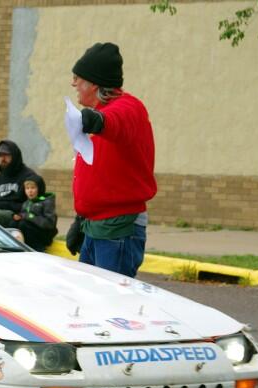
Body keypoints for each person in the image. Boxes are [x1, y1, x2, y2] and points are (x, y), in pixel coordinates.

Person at [68, 42, 156, 277]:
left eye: (78, 78)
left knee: (111, 306)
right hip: (94, 227)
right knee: (88, 303)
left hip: (118, 231)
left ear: (93, 83)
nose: (73, 83)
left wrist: (98, 121)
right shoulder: (97, 115)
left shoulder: (129, 108)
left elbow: (115, 122)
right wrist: (81, 219)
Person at [0, 139, 44, 227]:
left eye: (6, 155)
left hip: (17, 216)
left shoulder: (28, 176)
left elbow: (32, 205)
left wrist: (2, 204)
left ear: (15, 156)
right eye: (0, 155)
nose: (2, 158)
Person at [16, 178, 57, 251]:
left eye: (33, 188)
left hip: (44, 234)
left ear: (39, 189)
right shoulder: (26, 203)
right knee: (15, 223)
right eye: (27, 188)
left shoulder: (46, 201)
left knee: (23, 224)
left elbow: (49, 223)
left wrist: (28, 216)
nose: (30, 191)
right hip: (30, 233)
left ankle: (38, 250)